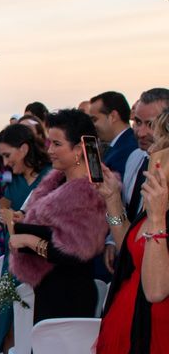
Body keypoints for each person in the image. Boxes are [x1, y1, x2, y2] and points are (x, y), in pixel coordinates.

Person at [9, 109, 107, 324]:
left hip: (70, 295)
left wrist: (28, 240)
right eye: (49, 143)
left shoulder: (89, 191)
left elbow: (75, 251)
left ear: (80, 149)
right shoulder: (58, 182)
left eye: (57, 144)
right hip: (49, 289)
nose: (49, 150)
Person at [96, 106, 169, 353]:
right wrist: (113, 200)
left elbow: (156, 291)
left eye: (159, 146)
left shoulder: (159, 209)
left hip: (156, 330)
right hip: (128, 317)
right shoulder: (157, 205)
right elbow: (128, 245)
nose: (150, 153)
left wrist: (158, 218)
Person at [0, 124, 51, 352]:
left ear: (23, 149)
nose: (5, 162)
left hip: (40, 260)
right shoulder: (11, 179)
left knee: (31, 321)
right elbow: (4, 223)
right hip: (13, 259)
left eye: (7, 155)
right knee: (8, 320)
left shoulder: (50, 177)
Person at [89, 91, 137, 179]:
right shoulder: (121, 145)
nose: (92, 126)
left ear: (113, 116)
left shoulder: (127, 149)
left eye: (94, 120)